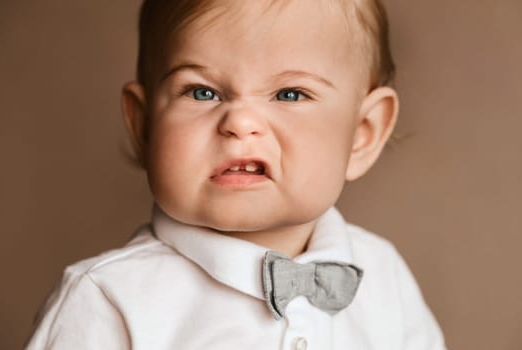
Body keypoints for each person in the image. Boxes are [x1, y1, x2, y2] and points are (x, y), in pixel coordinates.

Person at [25, 0, 446, 349]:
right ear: (144, 126)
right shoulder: (107, 299)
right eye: (202, 92)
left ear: (361, 134)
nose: (241, 122)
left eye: (290, 94)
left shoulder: (382, 274)